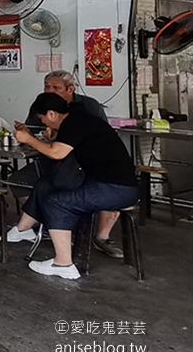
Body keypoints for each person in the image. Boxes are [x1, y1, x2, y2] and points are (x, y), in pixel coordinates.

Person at [5, 93, 139, 280]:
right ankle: (23, 230)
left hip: (116, 189)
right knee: (46, 183)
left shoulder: (75, 123)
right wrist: (40, 137)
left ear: (51, 114)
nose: (44, 124)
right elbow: (62, 146)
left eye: (43, 119)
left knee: (56, 202)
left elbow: (57, 153)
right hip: (106, 183)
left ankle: (63, 263)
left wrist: (29, 139)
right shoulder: (77, 119)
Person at [10, 70, 122, 258]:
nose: (50, 91)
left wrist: (50, 139)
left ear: (70, 89)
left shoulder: (88, 107)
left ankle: (101, 237)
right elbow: (38, 131)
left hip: (85, 162)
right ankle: (45, 224)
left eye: (56, 88)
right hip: (57, 160)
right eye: (47, 87)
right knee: (20, 181)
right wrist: (29, 132)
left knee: (67, 187)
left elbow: (96, 136)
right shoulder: (42, 103)